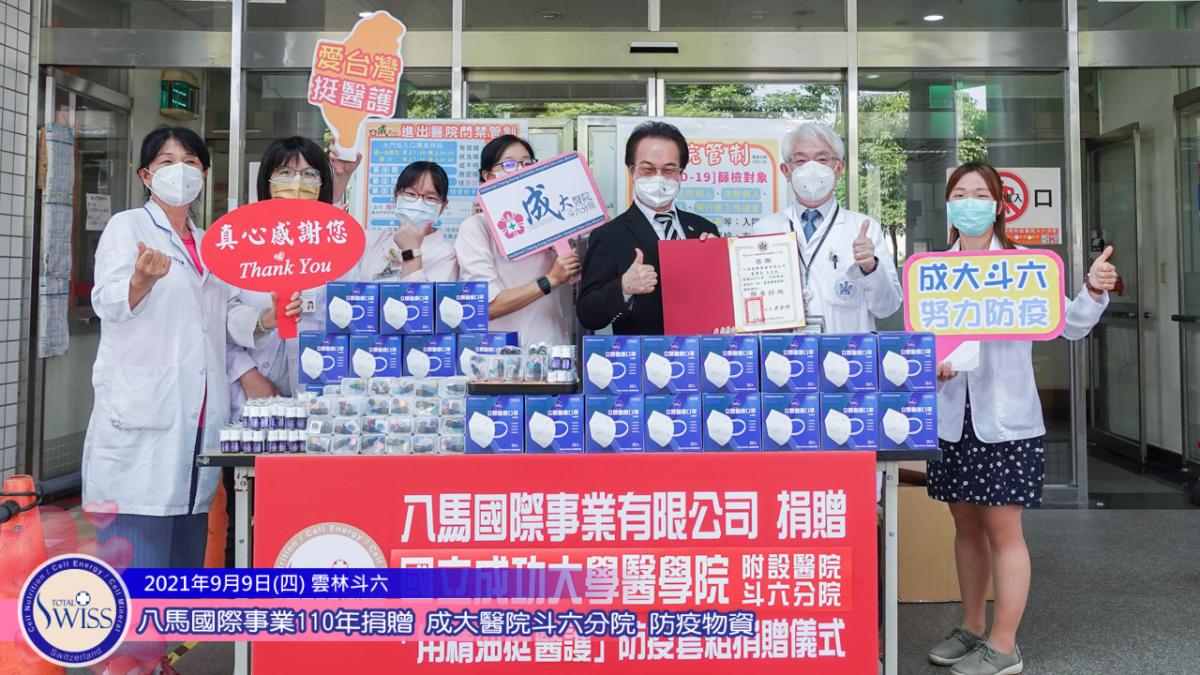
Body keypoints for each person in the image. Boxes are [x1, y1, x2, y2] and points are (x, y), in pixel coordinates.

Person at [926, 162, 1116, 675]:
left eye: (979, 194)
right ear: (948, 206)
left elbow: (1069, 325)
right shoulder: (933, 271)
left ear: (997, 205)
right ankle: (970, 627)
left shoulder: (1024, 266)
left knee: (1003, 528)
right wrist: (932, 363)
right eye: (959, 194)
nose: (969, 203)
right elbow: (923, 336)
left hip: (1007, 419)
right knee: (964, 524)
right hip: (953, 416)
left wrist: (1093, 290)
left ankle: (1004, 643)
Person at [83, 126, 299, 568]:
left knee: (182, 571)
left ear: (203, 173)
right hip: (143, 421)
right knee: (139, 574)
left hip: (199, 419)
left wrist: (265, 318)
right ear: (146, 175)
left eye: (190, 162)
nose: (179, 171)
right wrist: (140, 281)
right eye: (166, 162)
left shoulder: (208, 244)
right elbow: (107, 301)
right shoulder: (129, 227)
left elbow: (225, 314)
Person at [751, 122, 902, 331]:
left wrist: (871, 268)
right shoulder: (764, 229)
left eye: (822, 160)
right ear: (786, 171)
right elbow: (752, 306)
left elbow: (887, 307)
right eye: (801, 160)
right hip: (786, 348)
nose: (811, 168)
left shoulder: (864, 228)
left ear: (838, 169)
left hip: (848, 349)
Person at [576, 121, 719, 335]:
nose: (658, 177)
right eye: (648, 169)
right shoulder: (609, 235)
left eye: (669, 170)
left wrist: (717, 265)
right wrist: (623, 287)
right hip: (644, 353)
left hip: (701, 350)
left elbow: (721, 297)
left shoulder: (704, 230)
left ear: (680, 173)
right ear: (631, 170)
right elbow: (588, 314)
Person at [455, 135, 581, 345]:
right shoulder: (477, 227)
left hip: (552, 346)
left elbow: (601, 231)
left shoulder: (550, 218)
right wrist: (550, 279)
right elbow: (487, 307)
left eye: (527, 163)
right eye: (509, 164)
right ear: (488, 176)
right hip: (502, 354)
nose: (521, 170)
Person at [360, 160, 459, 282]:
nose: (419, 203)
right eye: (411, 194)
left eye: (430, 197)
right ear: (396, 195)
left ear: (443, 206)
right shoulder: (376, 240)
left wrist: (410, 250)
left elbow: (418, 294)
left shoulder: (446, 256)